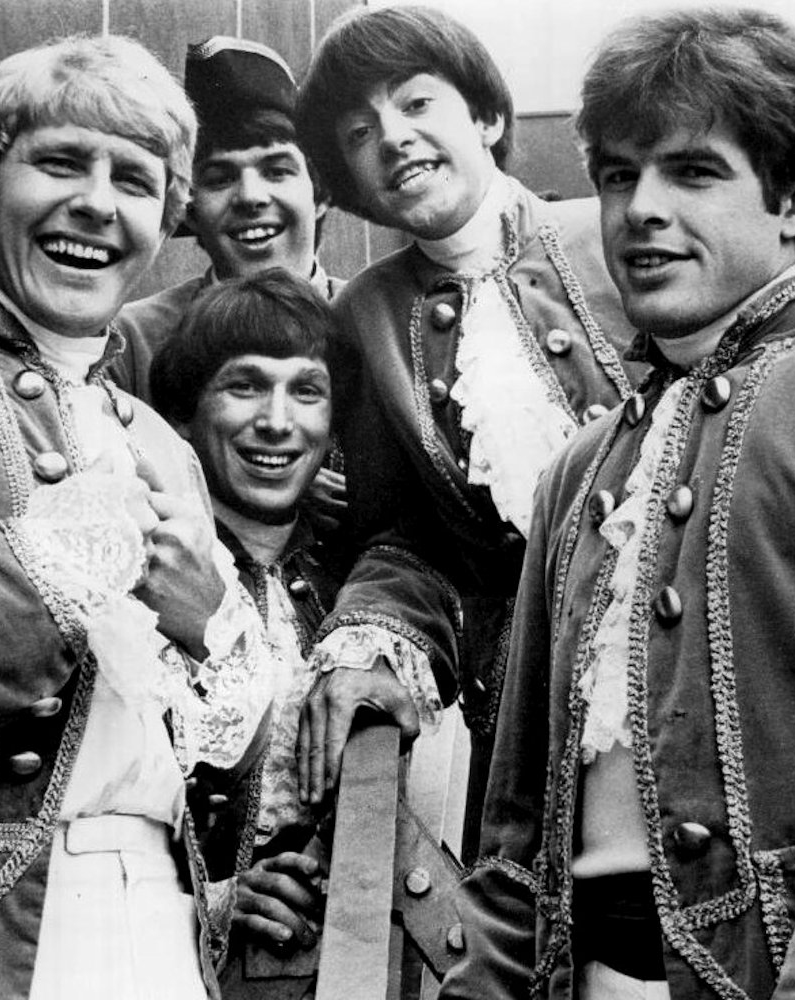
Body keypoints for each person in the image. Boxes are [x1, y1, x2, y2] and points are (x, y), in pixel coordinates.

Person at [440, 8, 795, 999]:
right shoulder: (578, 472)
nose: (640, 209)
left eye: (692, 172)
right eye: (619, 175)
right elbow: (516, 827)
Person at [0, 34, 261, 1000]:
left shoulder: (161, 443)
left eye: (135, 180)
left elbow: (219, 751)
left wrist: (212, 631)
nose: (97, 202)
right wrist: (38, 572)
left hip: (163, 924)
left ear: (164, 221)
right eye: (61, 162)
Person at [294, 4, 643, 856]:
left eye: (417, 103)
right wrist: (372, 636)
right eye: (359, 132)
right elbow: (404, 537)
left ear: (485, 117)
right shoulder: (364, 316)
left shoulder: (612, 231)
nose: (394, 137)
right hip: (525, 716)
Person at [149, 268, 350, 986]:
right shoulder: (140, 574)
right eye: (245, 385)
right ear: (185, 414)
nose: (276, 421)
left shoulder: (356, 586)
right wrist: (212, 901)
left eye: (307, 391)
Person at [110, 35, 343, 403]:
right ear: (189, 209)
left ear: (321, 193)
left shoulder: (371, 321)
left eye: (276, 171)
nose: (250, 196)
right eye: (220, 178)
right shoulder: (131, 343)